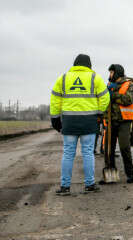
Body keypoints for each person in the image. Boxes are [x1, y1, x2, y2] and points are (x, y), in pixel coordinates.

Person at [50, 54, 110, 195]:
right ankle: (89, 185)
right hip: (89, 122)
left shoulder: (63, 78)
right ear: (89, 65)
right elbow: (105, 97)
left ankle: (65, 187)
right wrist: (100, 113)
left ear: (75, 64)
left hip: (69, 122)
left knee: (68, 153)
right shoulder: (95, 78)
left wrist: (55, 118)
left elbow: (55, 99)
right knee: (88, 153)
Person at [102, 64, 133, 184]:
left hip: (124, 122)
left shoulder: (130, 85)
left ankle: (130, 175)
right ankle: (110, 175)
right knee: (108, 148)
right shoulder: (108, 87)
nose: (109, 75)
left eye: (111, 72)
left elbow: (128, 100)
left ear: (117, 73)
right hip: (111, 121)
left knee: (124, 147)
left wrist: (114, 94)